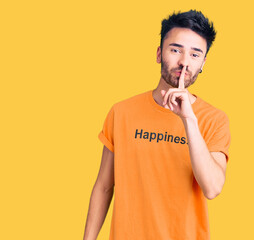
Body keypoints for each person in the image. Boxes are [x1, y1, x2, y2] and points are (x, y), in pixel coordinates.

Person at [83, 9, 231, 240]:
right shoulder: (121, 112)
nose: (184, 62)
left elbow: (212, 188)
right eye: (175, 50)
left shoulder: (214, 119)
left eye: (195, 54)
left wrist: (189, 120)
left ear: (203, 63)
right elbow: (103, 187)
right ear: (159, 53)